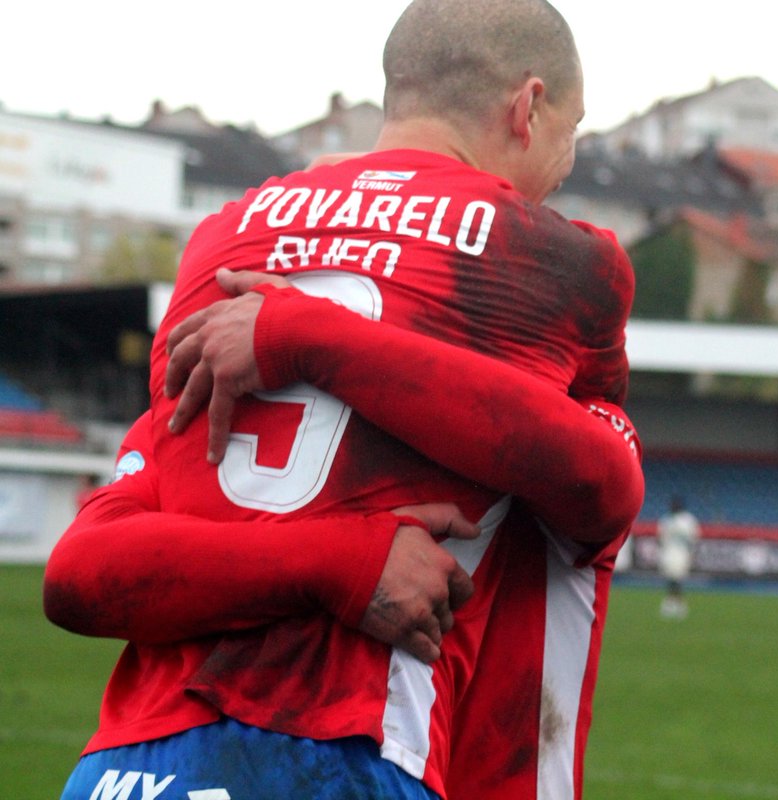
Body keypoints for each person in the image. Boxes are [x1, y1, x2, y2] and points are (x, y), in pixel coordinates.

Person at [44, 1, 642, 798]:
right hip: (350, 743)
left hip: (131, 761)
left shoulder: (222, 242)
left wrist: (302, 334)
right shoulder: (561, 261)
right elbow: (600, 487)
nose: (568, 162)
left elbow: (86, 568)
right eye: (574, 128)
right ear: (527, 107)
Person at [657, 495, 701, 618]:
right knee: (670, 578)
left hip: (682, 553)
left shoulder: (688, 520)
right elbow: (660, 538)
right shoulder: (666, 520)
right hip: (668, 553)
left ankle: (679, 603)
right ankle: (671, 602)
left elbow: (694, 539)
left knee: (678, 578)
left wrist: (692, 554)